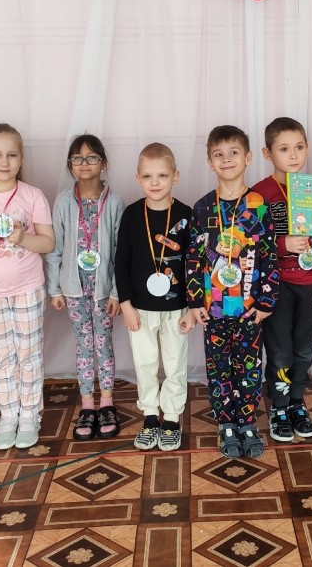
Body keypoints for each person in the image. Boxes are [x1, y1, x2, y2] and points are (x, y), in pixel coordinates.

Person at [186, 125, 279, 459]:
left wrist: (266, 301)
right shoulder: (202, 207)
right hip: (213, 309)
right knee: (218, 368)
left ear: (248, 158)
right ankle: (226, 423)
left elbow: (270, 255)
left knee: (249, 367)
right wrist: (194, 301)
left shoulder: (259, 205)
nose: (226, 159)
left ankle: (248, 422)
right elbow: (193, 258)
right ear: (210, 162)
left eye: (234, 152)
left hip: (249, 308)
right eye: (218, 154)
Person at [0, 124, 55, 450]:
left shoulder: (32, 195)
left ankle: (29, 415)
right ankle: (8, 415)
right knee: (2, 357)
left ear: (21, 158)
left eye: (12, 155)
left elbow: (48, 242)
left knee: (29, 354)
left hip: (28, 288)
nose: (4, 162)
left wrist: (22, 237)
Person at [251, 117, 312, 443]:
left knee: (305, 349)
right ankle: (279, 406)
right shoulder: (260, 193)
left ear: (307, 149)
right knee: (280, 350)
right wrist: (283, 244)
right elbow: (251, 242)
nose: (293, 155)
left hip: (310, 281)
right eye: (284, 149)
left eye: (299, 147)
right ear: (267, 153)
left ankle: (297, 402)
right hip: (277, 284)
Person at [115, 143, 193, 452]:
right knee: (145, 364)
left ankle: (171, 419)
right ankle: (150, 416)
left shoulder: (186, 214)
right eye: (148, 176)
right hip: (140, 309)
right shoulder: (132, 214)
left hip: (177, 308)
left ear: (176, 176)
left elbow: (195, 265)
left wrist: (192, 308)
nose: (155, 182)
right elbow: (121, 262)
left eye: (162, 175)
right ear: (138, 178)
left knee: (175, 364)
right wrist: (125, 305)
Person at [47, 135, 125, 441]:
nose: (84, 164)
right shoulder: (64, 201)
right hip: (74, 288)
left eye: (92, 157)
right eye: (77, 158)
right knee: (83, 346)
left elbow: (120, 251)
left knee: (103, 344)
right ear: (70, 165)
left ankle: (107, 403)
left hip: (104, 289)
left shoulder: (114, 202)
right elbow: (55, 247)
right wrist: (55, 289)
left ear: (103, 163)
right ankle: (88, 405)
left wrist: (116, 292)